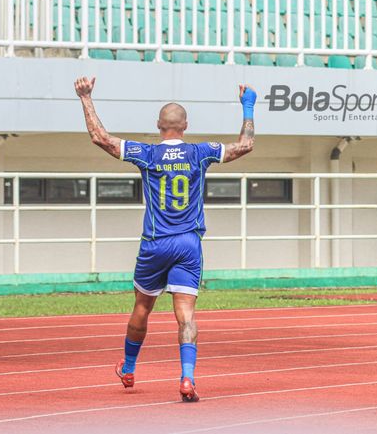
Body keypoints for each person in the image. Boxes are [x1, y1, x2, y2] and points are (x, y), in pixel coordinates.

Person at [75, 76, 256, 402]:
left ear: (159, 126)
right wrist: (248, 105)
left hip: (155, 243)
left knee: (142, 307)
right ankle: (187, 378)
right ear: (185, 125)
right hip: (188, 243)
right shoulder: (201, 152)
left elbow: (99, 137)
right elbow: (245, 145)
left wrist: (86, 97)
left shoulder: (147, 154)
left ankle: (128, 369)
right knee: (186, 314)